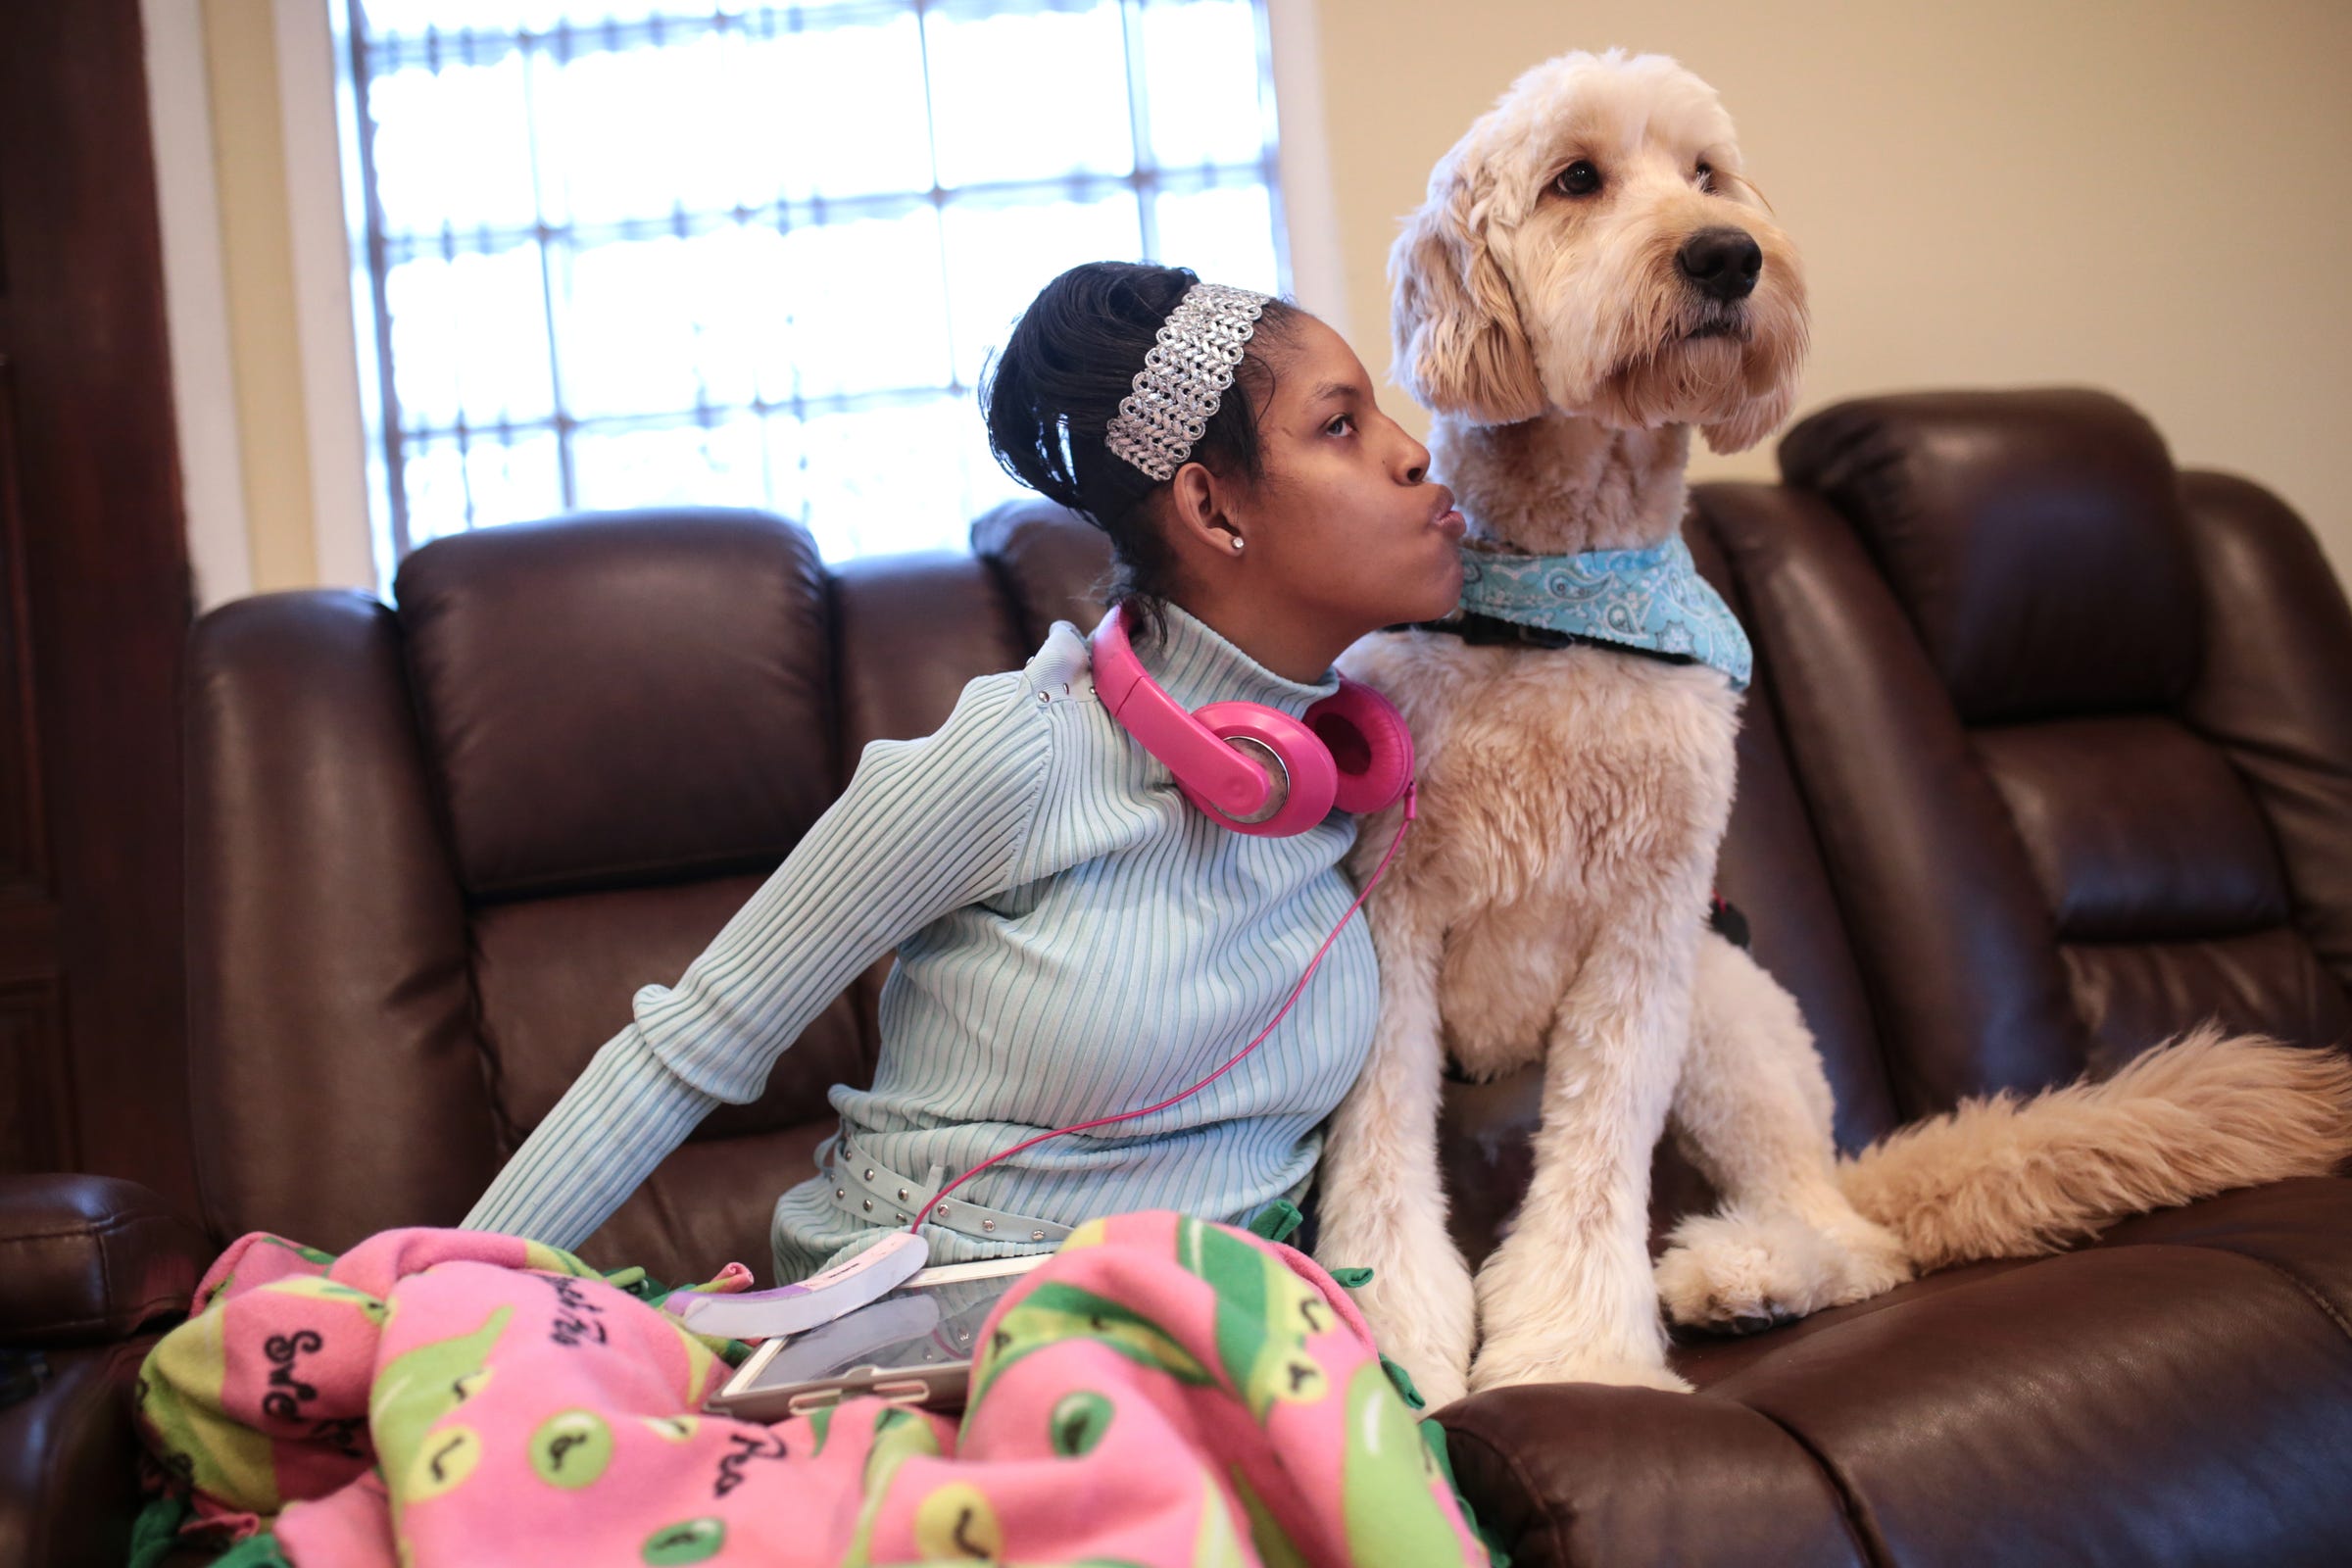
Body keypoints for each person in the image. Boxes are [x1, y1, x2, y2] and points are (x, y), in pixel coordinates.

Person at [464, 261, 1467, 1282]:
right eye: (1340, 424)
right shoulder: (1019, 750)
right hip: (926, 1323)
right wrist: (429, 1295)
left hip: (1222, 1327)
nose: (1413, 451)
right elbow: (686, 1046)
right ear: (1211, 510)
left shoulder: (1344, 779)